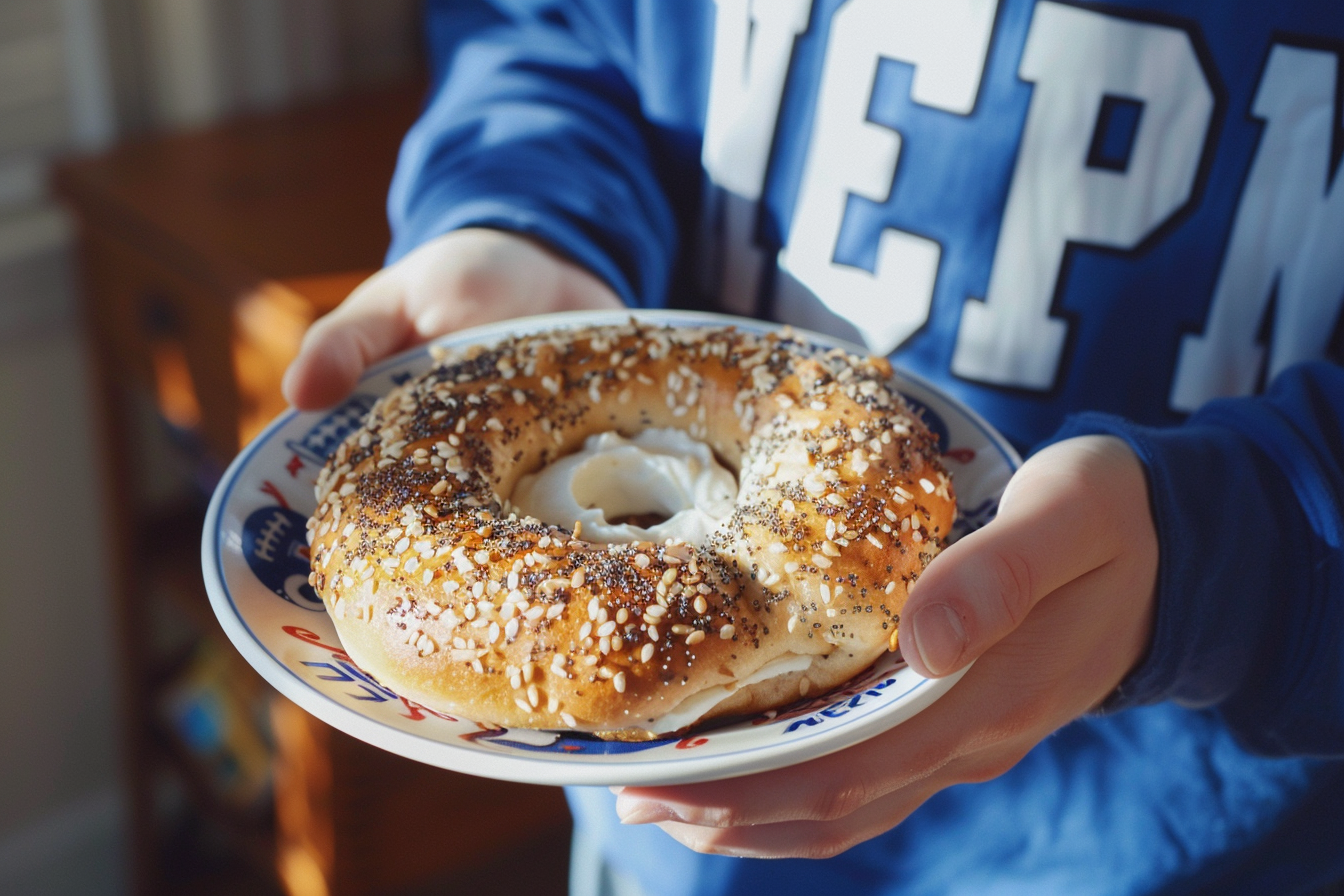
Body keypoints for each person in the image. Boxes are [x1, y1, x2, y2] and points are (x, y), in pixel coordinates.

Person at [283, 1, 1344, 893]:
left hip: (1177, 835)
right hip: (657, 825)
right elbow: (561, 32)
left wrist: (1218, 561)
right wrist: (530, 216)